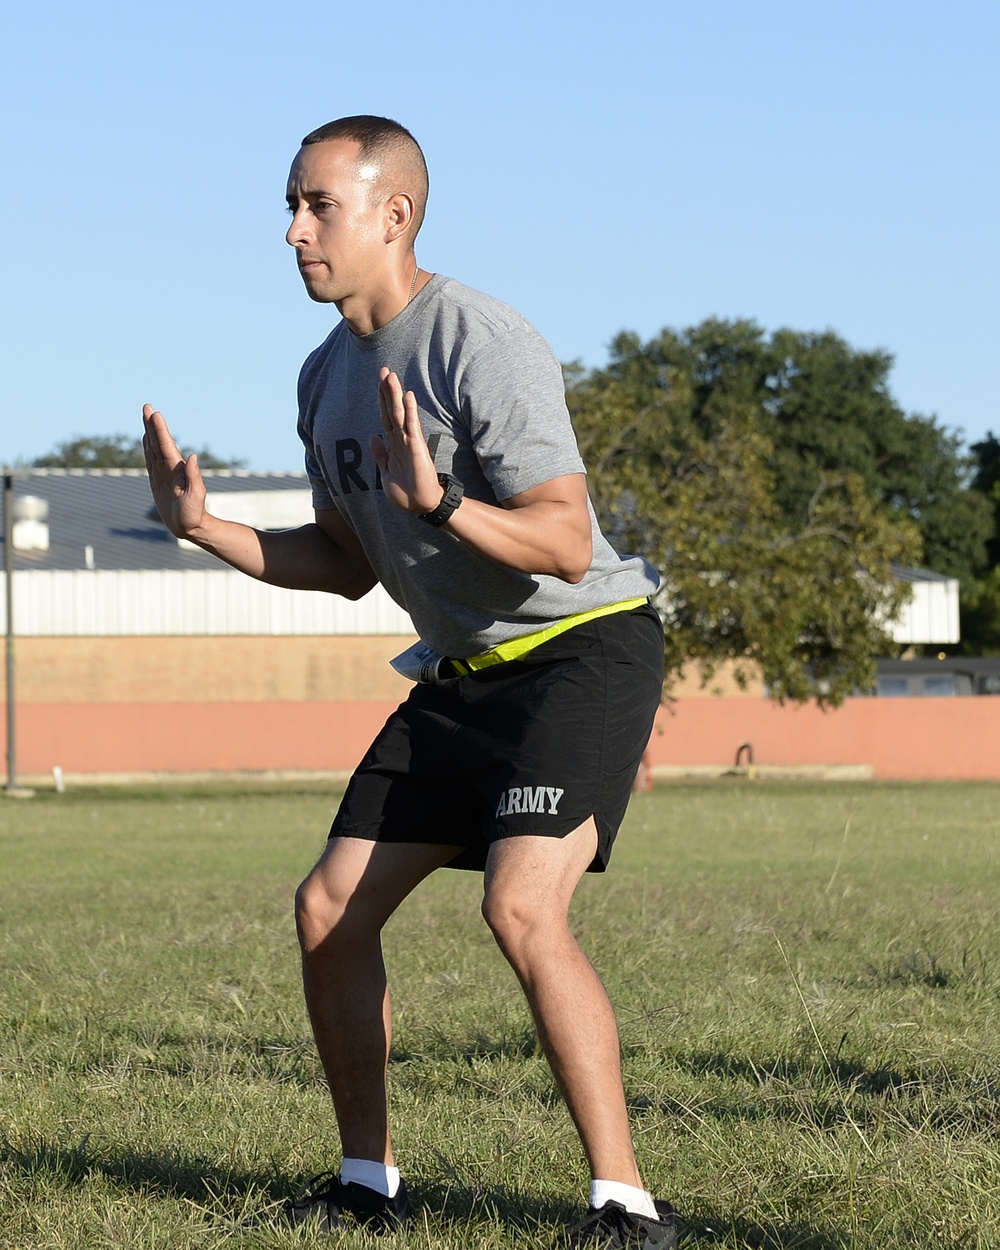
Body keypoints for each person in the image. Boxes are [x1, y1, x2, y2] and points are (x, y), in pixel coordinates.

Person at [142, 115, 676, 1248]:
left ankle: (625, 1205)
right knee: (328, 906)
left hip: (582, 648)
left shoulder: (480, 338)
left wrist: (438, 502)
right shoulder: (326, 375)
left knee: (520, 904)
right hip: (461, 670)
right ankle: (366, 1183)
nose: (292, 232)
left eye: (316, 206)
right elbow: (340, 562)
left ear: (394, 214)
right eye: (288, 206)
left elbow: (567, 541)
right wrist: (202, 528)